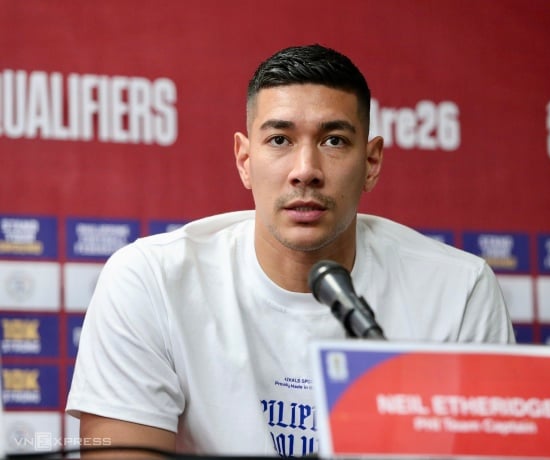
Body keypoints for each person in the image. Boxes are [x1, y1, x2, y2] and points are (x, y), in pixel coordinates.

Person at [66, 44, 515, 458]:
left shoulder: (460, 291)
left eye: (334, 140)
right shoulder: (151, 279)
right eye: (280, 140)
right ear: (245, 160)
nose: (306, 171)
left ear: (371, 162)